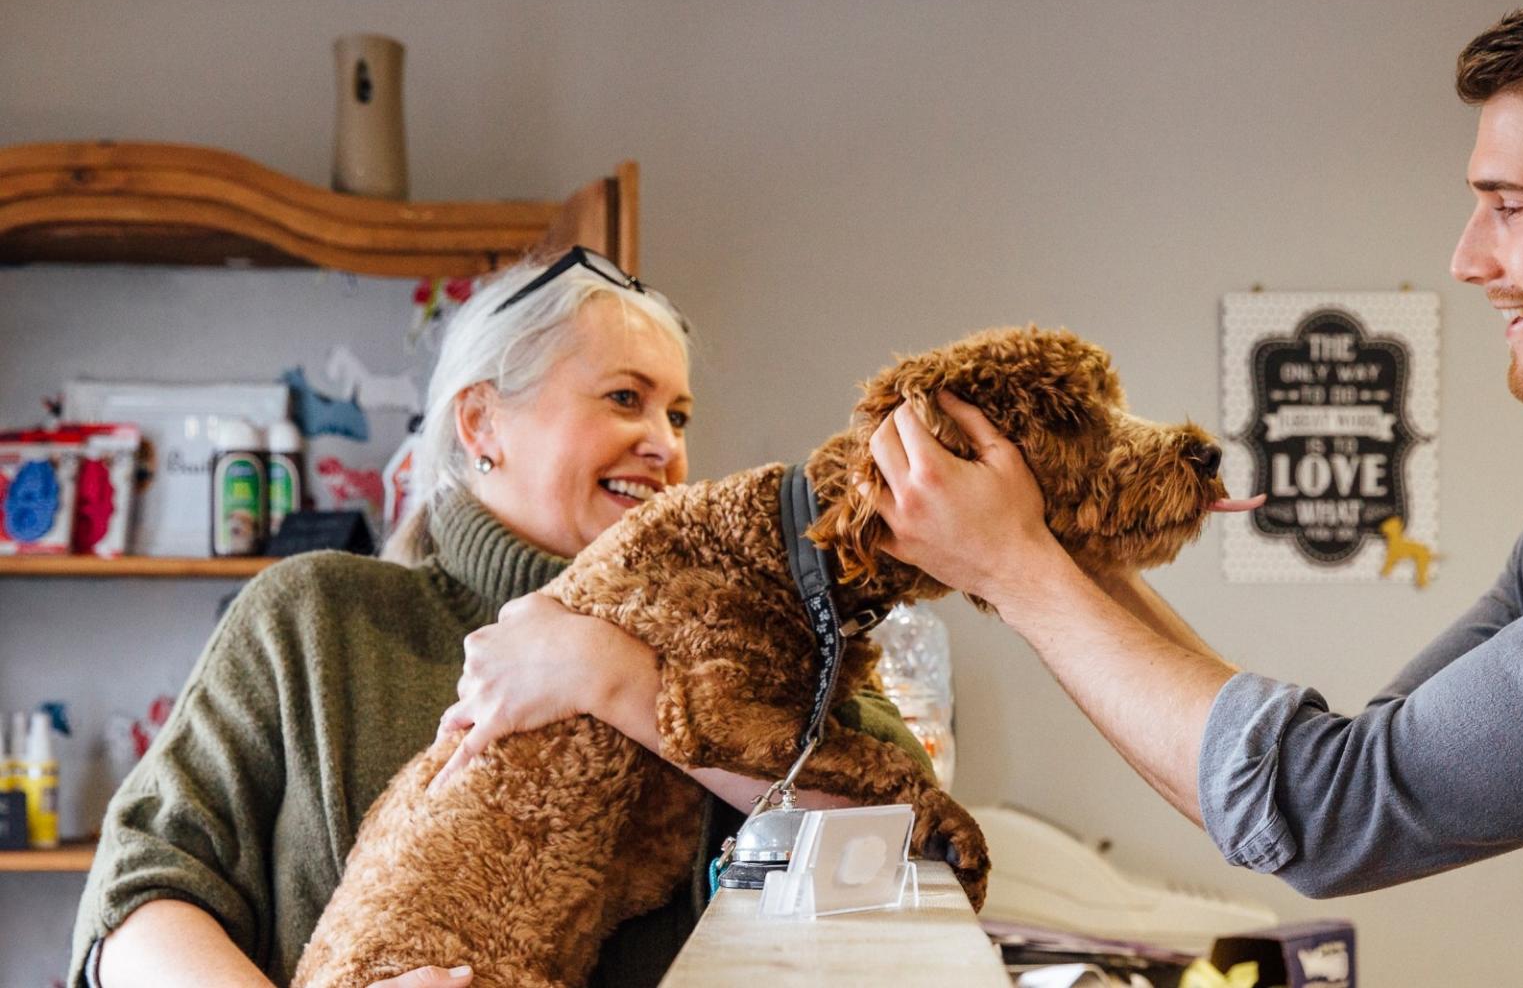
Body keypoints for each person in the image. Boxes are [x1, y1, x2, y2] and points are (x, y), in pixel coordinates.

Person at [865, 0, 1523, 986]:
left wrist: (1019, 573)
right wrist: (1047, 555)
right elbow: (1347, 766)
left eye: (1508, 206)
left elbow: (1332, 810)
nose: (1468, 257)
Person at [70, 247, 930, 988]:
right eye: (625, 398)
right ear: (482, 420)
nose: (665, 444)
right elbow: (139, 896)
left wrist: (619, 679)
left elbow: (908, 844)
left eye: (678, 414)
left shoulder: (755, 640)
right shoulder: (317, 619)